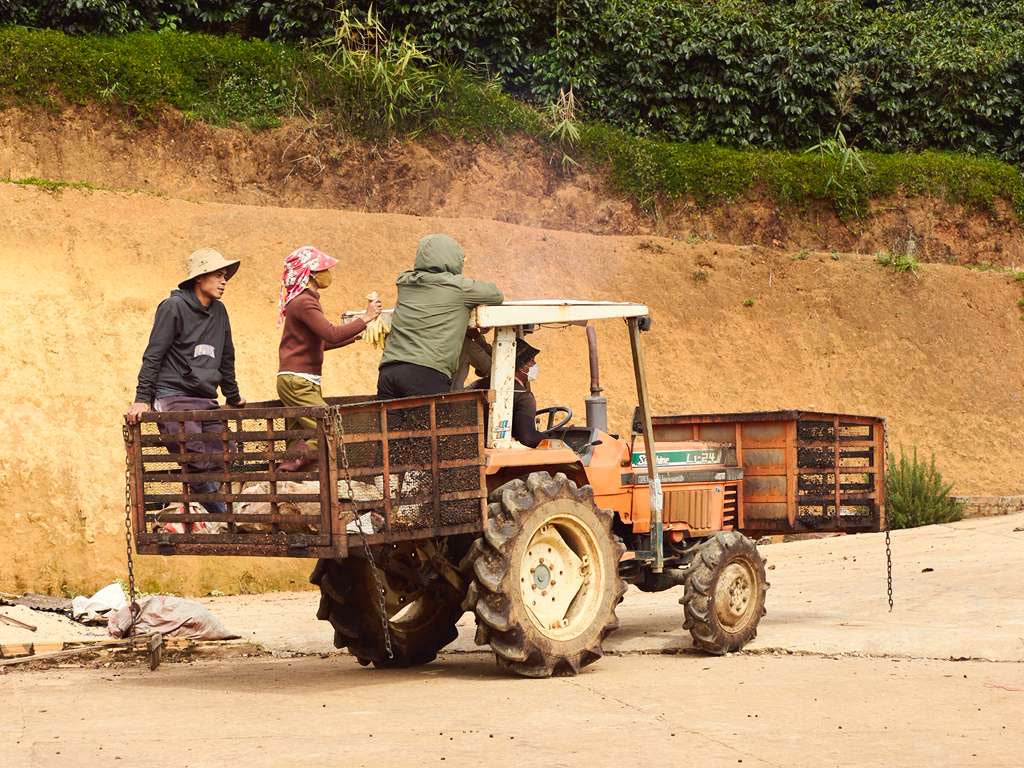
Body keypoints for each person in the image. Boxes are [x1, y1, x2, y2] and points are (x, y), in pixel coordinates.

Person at [125, 248, 246, 514]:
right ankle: (226, 519)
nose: (223, 281)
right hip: (173, 394)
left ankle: (209, 514)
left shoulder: (220, 312)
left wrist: (233, 395)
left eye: (225, 276)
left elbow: (227, 356)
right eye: (217, 275)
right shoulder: (173, 307)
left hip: (204, 397)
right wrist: (142, 399)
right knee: (195, 456)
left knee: (225, 451)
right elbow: (154, 354)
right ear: (199, 278)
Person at [276, 245, 382, 471]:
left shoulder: (302, 301)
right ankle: (293, 465)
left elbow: (320, 343)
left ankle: (290, 478)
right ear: (311, 274)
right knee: (330, 425)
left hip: (299, 380)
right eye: (323, 270)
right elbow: (331, 333)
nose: (328, 274)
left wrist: (355, 335)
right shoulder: (305, 302)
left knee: (301, 435)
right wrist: (365, 317)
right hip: (298, 382)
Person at [377, 234, 503, 399]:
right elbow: (496, 295)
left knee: (389, 416)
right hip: (426, 373)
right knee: (429, 417)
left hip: (389, 370)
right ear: (452, 259)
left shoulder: (405, 281)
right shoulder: (458, 287)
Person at [470, 338, 545, 448]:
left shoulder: (478, 384)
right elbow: (528, 438)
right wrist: (549, 437)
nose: (535, 364)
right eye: (531, 361)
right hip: (499, 449)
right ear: (521, 366)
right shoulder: (524, 397)